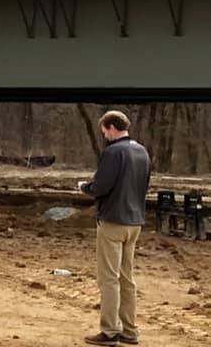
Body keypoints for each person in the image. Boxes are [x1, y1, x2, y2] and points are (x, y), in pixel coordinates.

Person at [79, 110, 151, 346]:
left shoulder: (113, 152)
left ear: (111, 127)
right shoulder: (142, 151)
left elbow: (102, 186)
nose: (105, 136)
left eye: (104, 131)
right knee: (126, 278)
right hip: (135, 221)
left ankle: (109, 331)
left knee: (108, 279)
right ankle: (130, 331)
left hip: (113, 221)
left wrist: (85, 187)